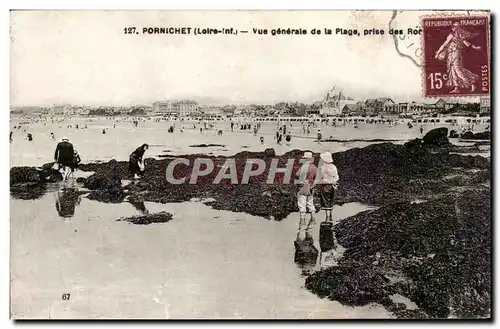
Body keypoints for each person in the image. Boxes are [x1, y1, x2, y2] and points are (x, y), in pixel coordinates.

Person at [434, 22, 481, 94]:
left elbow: (467, 44)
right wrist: (438, 53)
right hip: (450, 54)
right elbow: (444, 45)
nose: (452, 28)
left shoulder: (460, 36)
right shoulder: (451, 35)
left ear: (457, 28)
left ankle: (471, 83)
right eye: (452, 26)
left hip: (456, 54)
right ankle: (457, 88)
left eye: (454, 27)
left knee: (457, 69)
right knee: (452, 70)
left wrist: (476, 48)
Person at [295, 152, 317, 236]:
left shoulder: (304, 166)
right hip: (311, 187)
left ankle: (302, 220)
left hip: (302, 187)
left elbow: (297, 175)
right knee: (310, 204)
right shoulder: (314, 167)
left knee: (302, 204)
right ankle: (313, 218)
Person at [316, 152, 339, 223]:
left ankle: (328, 218)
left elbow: (319, 178)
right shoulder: (334, 167)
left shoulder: (322, 167)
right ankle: (330, 216)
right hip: (333, 185)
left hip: (325, 185)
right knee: (331, 200)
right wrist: (333, 182)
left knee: (326, 200)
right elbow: (337, 177)